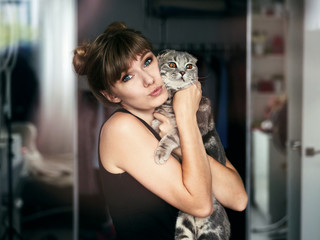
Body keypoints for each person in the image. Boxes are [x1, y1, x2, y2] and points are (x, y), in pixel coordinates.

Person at [73, 22, 248, 240]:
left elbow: (238, 199)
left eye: (147, 61)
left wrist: (181, 141)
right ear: (111, 96)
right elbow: (201, 205)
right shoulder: (121, 129)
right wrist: (186, 120)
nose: (149, 79)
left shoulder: (174, 115)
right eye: (127, 77)